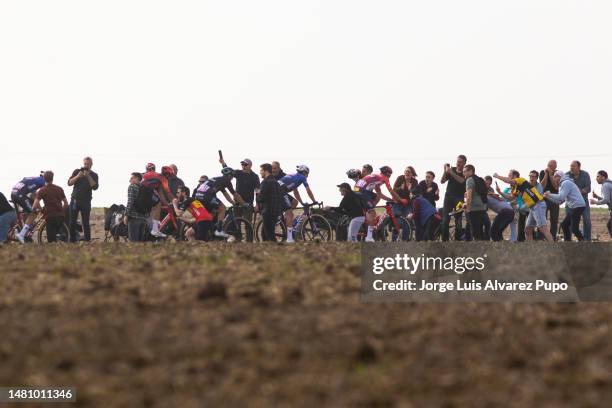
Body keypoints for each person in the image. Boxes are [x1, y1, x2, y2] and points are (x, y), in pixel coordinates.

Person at [494, 170, 553, 241]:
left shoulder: (520, 180)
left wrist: (497, 176)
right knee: (528, 230)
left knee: (543, 228)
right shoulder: (515, 188)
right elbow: (510, 198)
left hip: (538, 205)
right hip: (532, 208)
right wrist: (499, 192)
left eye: (509, 175)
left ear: (515, 176)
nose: (508, 177)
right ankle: (531, 249)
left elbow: (508, 181)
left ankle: (552, 247)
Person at [355, 166, 403, 242]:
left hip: (358, 190)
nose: (390, 176)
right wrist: (400, 200)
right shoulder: (384, 178)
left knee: (376, 198)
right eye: (390, 175)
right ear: (388, 174)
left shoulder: (377, 179)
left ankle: (367, 221)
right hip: (362, 191)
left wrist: (390, 200)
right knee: (372, 211)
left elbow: (379, 194)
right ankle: (369, 237)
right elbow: (391, 191)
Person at [278, 165, 317, 243]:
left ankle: (285, 219)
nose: (307, 176)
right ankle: (289, 239)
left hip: (280, 190)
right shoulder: (302, 177)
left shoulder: (295, 177)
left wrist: (302, 202)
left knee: (295, 202)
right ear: (304, 172)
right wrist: (314, 200)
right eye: (307, 173)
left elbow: (296, 192)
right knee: (290, 214)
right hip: (280, 191)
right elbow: (308, 190)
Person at [194, 167, 236, 238]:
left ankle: (208, 228)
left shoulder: (218, 180)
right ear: (229, 176)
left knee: (212, 212)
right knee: (222, 208)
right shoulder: (227, 180)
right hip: (207, 196)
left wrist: (232, 202)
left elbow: (226, 194)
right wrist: (243, 204)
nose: (232, 178)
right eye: (232, 176)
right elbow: (234, 194)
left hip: (198, 196)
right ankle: (219, 230)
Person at [544, 171, 586, 241]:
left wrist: (549, 194)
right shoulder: (562, 184)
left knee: (574, 229)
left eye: (555, 177)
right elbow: (559, 202)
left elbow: (560, 197)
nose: (554, 179)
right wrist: (548, 197)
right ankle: (568, 242)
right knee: (564, 225)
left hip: (578, 206)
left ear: (560, 176)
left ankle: (583, 242)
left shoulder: (565, 183)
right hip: (574, 207)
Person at [67, 156, 99, 242]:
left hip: (86, 201)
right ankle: (72, 240)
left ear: (91, 165)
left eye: (88, 164)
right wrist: (77, 176)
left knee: (85, 223)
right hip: (75, 200)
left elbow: (95, 187)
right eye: (85, 164)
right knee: (72, 222)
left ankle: (87, 241)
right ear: (83, 163)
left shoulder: (94, 175)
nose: (86, 165)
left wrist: (88, 176)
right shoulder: (77, 171)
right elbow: (69, 183)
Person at [33, 171, 69, 243]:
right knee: (58, 235)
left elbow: (34, 205)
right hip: (60, 216)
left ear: (44, 179)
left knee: (51, 241)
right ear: (52, 178)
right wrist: (61, 210)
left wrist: (41, 210)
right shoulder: (59, 189)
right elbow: (66, 203)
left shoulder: (42, 190)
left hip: (50, 216)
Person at [141, 163, 174, 238]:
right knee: (158, 204)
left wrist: (166, 204)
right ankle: (155, 229)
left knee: (156, 201)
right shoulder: (162, 178)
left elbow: (161, 194)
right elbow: (168, 193)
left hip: (142, 191)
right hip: (145, 191)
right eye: (169, 176)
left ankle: (153, 223)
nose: (169, 178)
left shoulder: (154, 178)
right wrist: (175, 200)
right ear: (167, 174)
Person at [11, 173, 46, 243]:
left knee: (29, 210)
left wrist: (36, 206)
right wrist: (41, 208)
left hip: (14, 193)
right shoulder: (42, 181)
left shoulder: (34, 179)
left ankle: (25, 233)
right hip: (19, 195)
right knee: (33, 213)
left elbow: (33, 196)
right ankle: (21, 235)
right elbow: (35, 196)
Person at [440, 155, 468, 241]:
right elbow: (442, 181)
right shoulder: (451, 170)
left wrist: (451, 172)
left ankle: (457, 241)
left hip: (459, 198)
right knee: (445, 220)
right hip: (448, 197)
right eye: (457, 161)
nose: (458, 163)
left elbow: (462, 181)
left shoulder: (465, 172)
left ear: (464, 163)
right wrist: (445, 171)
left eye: (460, 162)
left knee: (458, 221)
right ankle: (445, 242)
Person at [566, 161, 592, 240]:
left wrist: (578, 191)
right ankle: (568, 240)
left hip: (583, 201)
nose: (571, 168)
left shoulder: (585, 174)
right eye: (570, 166)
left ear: (579, 167)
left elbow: (588, 188)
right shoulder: (567, 175)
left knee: (586, 219)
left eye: (573, 166)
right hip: (570, 202)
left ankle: (587, 239)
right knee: (568, 221)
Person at [258, 163, 283, 242]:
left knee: (269, 236)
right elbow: (280, 198)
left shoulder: (265, 182)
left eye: (261, 170)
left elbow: (260, 198)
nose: (260, 172)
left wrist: (257, 193)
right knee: (265, 235)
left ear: (266, 171)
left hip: (267, 211)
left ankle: (278, 251)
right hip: (275, 212)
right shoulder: (276, 182)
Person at [485, 176, 515, 241]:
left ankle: (498, 245)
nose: (487, 185)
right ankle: (501, 244)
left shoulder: (490, 193)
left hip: (506, 211)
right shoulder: (489, 193)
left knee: (493, 232)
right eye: (486, 183)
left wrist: (493, 194)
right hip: (510, 212)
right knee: (498, 231)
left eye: (489, 184)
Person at [463, 165, 488, 240]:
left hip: (474, 209)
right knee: (480, 232)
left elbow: (469, 196)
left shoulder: (469, 180)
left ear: (470, 171)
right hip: (482, 208)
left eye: (465, 171)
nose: (463, 173)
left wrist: (468, 208)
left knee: (475, 233)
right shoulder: (479, 179)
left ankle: (475, 249)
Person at [125, 172, 149, 242]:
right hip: (143, 219)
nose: (129, 180)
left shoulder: (132, 187)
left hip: (134, 218)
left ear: (136, 179)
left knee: (134, 243)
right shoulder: (144, 188)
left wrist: (126, 215)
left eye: (131, 178)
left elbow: (130, 202)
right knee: (141, 243)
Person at [539, 160, 559, 239]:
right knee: (542, 219)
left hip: (554, 199)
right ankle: (541, 237)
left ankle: (552, 237)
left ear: (555, 167)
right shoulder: (542, 173)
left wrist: (551, 175)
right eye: (548, 165)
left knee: (554, 220)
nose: (549, 167)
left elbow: (555, 186)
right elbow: (542, 186)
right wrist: (546, 175)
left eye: (551, 166)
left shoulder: (558, 173)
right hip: (544, 199)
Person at [590, 170, 611, 237]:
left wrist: (595, 202)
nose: (596, 179)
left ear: (603, 177)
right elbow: (608, 200)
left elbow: (606, 200)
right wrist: (597, 197)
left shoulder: (605, 185)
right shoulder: (609, 184)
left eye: (598, 176)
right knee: (609, 225)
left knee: (610, 226)